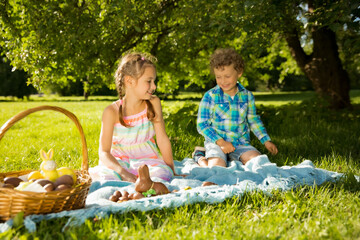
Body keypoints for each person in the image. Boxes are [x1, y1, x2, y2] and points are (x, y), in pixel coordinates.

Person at [89, 52, 175, 182]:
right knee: (107, 177)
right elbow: (104, 152)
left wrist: (171, 170)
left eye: (154, 81)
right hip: (120, 164)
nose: (154, 86)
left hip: (148, 163)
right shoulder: (111, 112)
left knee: (161, 175)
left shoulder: (153, 103)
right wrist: (123, 173)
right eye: (149, 81)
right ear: (129, 81)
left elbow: (162, 139)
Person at [196, 48, 278, 167]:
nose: (223, 81)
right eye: (218, 77)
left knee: (258, 163)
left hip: (240, 143)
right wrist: (221, 142)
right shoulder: (210, 96)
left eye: (227, 76)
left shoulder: (247, 96)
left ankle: (232, 160)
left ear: (239, 73)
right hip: (217, 143)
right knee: (217, 167)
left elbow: (253, 120)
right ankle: (200, 157)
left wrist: (266, 140)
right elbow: (202, 124)